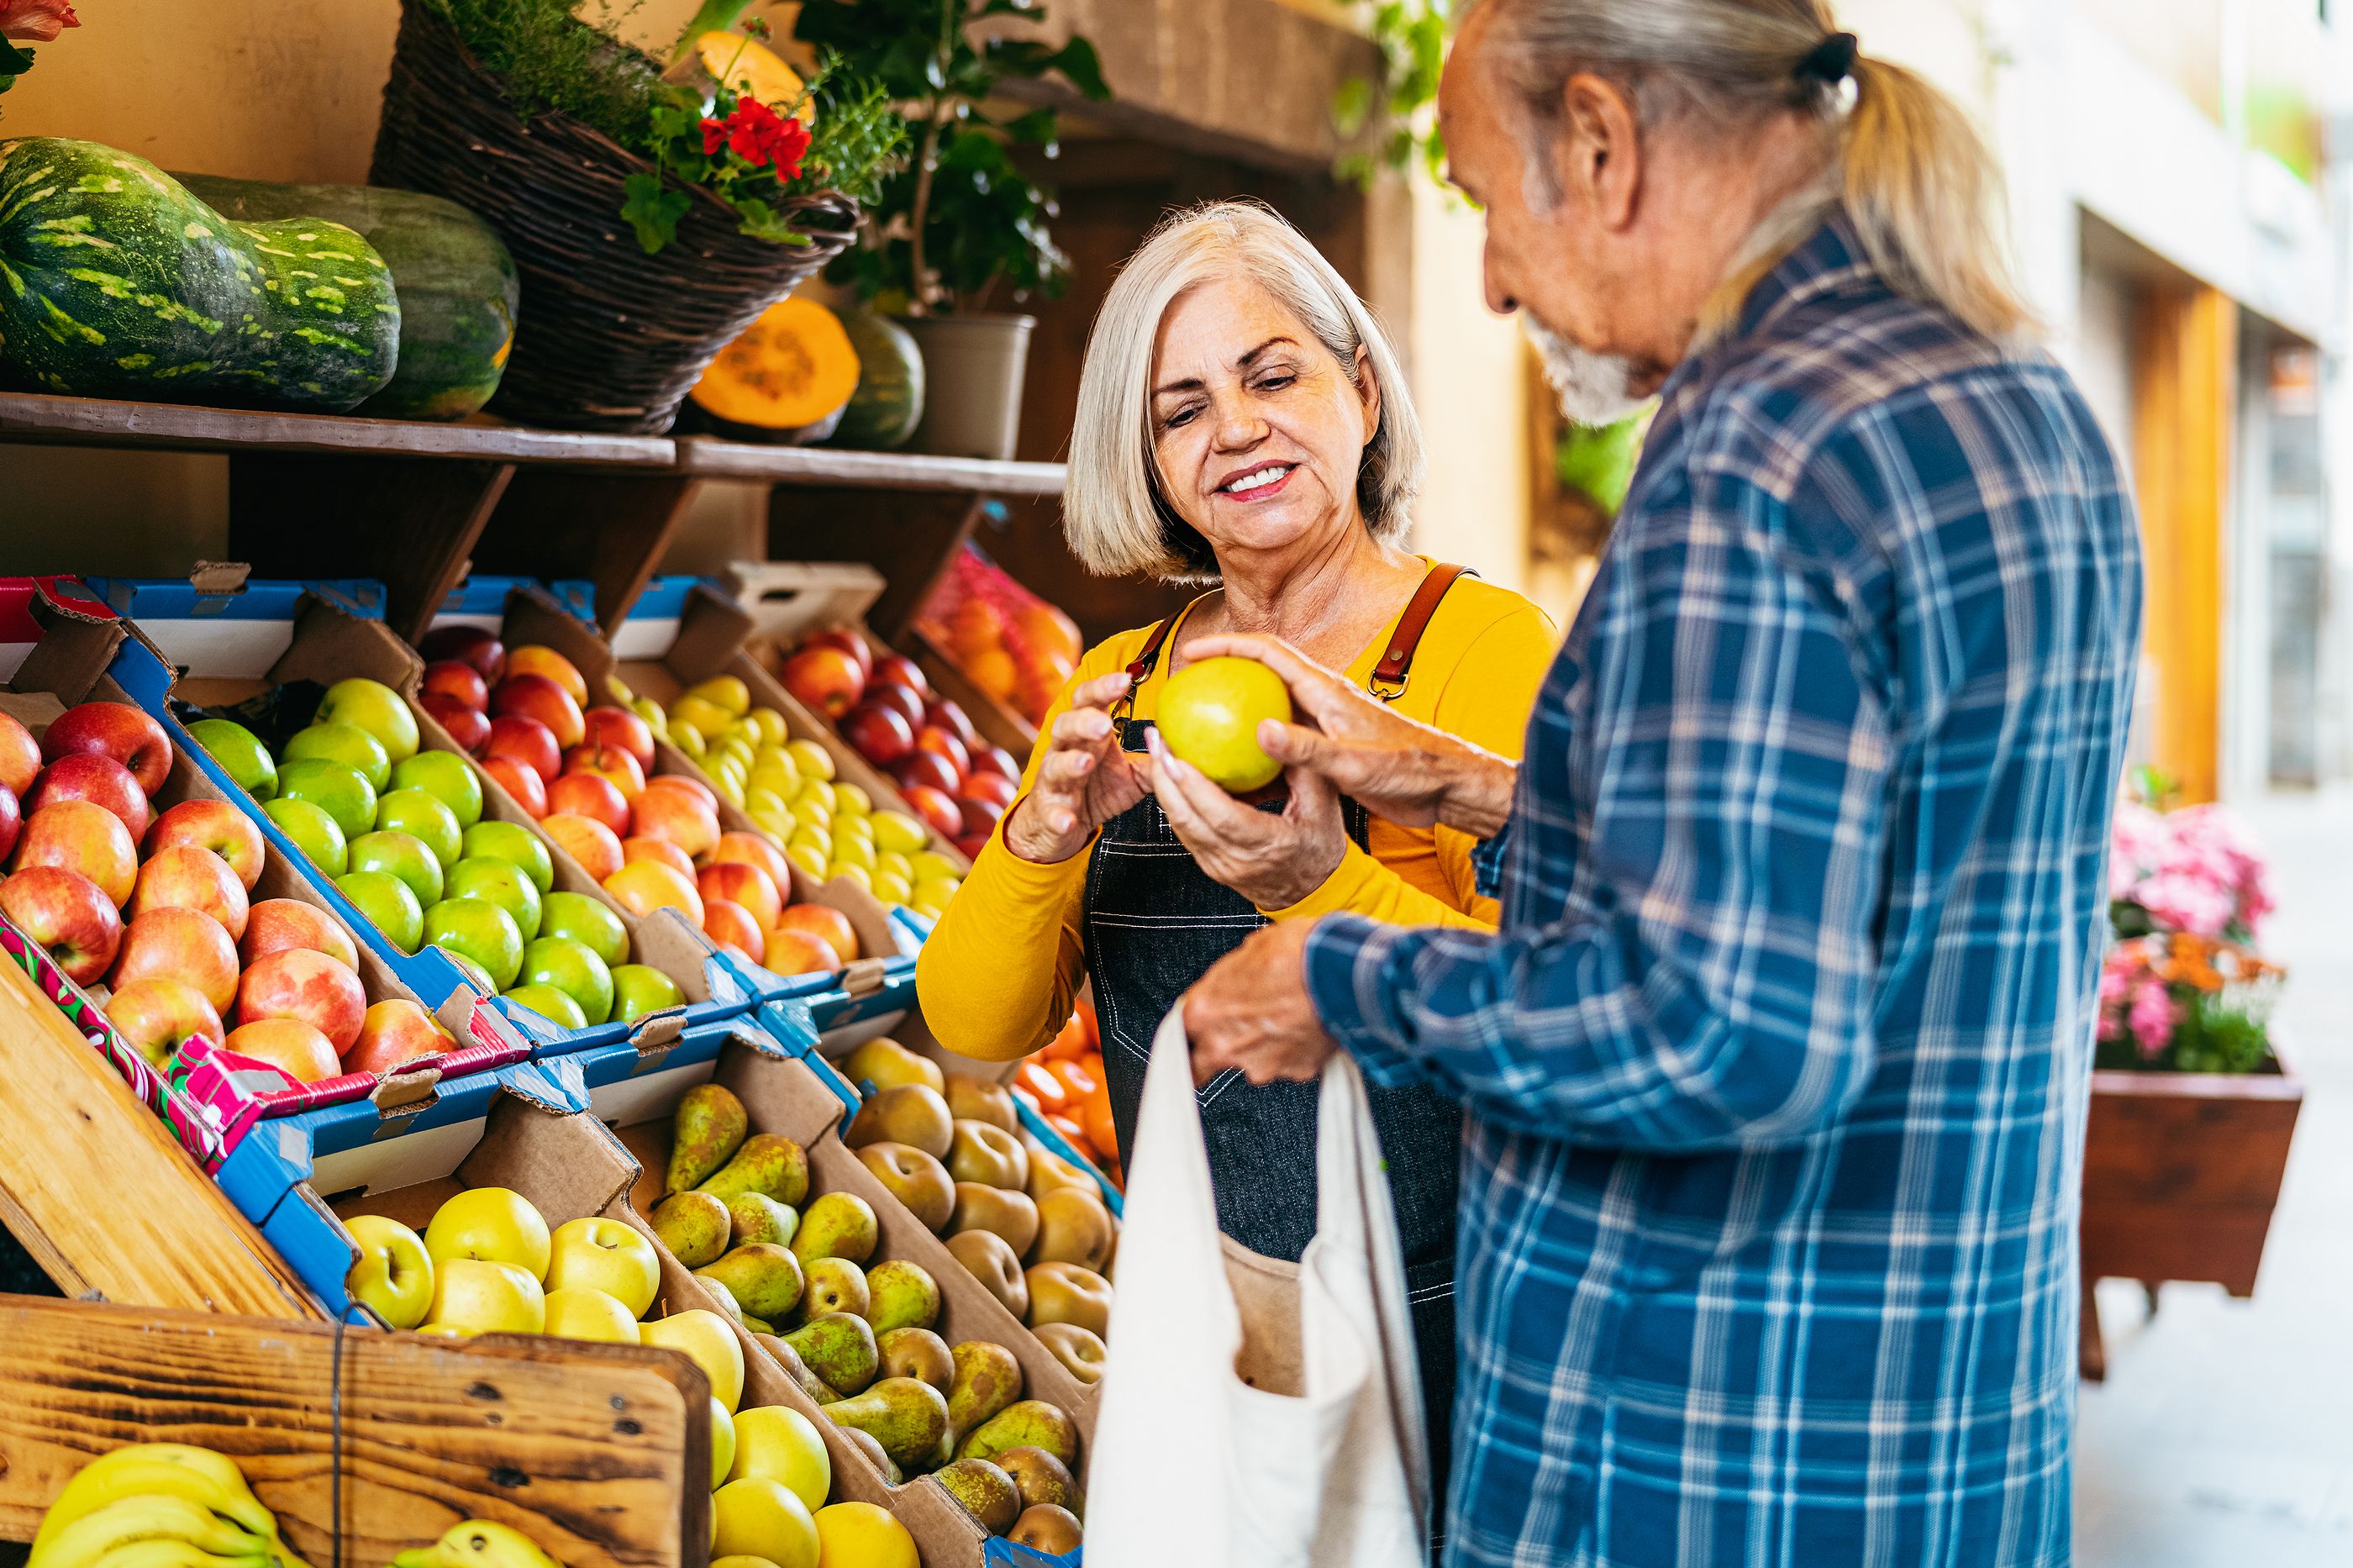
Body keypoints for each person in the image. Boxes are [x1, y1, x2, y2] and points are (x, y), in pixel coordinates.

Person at [1176, 5, 2143, 1566]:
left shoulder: (1758, 453)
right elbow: (1850, 881)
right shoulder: (2016, 402)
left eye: (1490, 197)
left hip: (1702, 1458)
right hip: (1937, 1430)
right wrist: (1471, 783)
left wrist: (1338, 973)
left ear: (1603, 145)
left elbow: (1726, 1030)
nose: (1488, 275)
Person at [915, 200, 1557, 1525]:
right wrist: (1042, 837)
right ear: (1147, 459)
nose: (1238, 430)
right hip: (1209, 1324)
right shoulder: (1119, 683)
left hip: (1463, 1317)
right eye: (1182, 408)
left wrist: (1312, 888)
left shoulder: (1485, 653)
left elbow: (1554, 1011)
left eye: (1274, 376)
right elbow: (974, 1027)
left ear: (1362, 392)